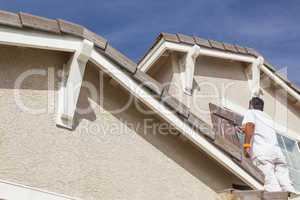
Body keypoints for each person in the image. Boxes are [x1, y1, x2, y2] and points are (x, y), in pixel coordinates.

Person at [242, 97, 295, 193]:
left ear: (251, 105)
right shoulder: (268, 117)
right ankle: (292, 194)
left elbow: (250, 126)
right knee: (286, 184)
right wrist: (244, 129)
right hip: (277, 153)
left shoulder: (251, 112)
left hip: (263, 153)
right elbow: (258, 129)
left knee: (271, 185)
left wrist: (246, 146)